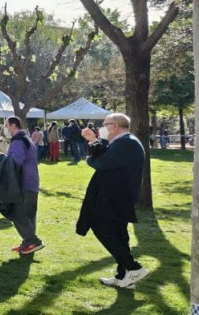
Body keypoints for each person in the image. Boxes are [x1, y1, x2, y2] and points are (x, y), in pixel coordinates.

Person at [76, 113, 149, 288]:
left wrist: (91, 157)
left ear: (115, 126)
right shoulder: (121, 142)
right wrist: (93, 141)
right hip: (113, 196)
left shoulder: (128, 143)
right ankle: (124, 275)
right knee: (119, 234)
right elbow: (99, 152)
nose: (102, 127)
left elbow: (101, 162)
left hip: (114, 198)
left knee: (104, 229)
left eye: (105, 124)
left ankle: (133, 268)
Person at [1, 116, 45, 255]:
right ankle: (28, 243)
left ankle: (32, 241)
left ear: (13, 125)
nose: (5, 128)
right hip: (32, 182)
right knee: (29, 214)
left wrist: (2, 162)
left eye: (6, 125)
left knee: (17, 213)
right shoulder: (26, 138)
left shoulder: (18, 140)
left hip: (23, 183)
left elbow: (16, 161)